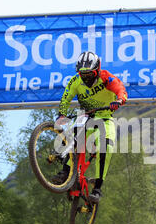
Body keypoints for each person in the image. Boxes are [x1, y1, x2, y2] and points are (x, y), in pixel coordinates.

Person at [53, 51, 128, 203]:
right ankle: (65, 172)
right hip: (85, 116)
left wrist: (119, 100)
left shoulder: (106, 77)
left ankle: (97, 188)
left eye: (90, 74)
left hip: (105, 117)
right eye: (83, 74)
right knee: (71, 138)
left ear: (98, 69)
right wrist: (62, 114)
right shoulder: (75, 81)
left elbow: (121, 89)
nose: (86, 77)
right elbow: (65, 99)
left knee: (105, 148)